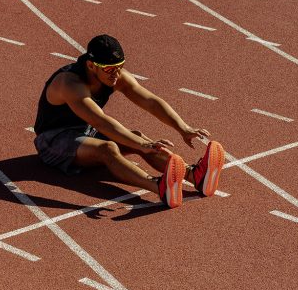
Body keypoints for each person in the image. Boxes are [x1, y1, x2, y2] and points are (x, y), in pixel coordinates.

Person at [32, 34, 225, 208]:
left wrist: (182, 127)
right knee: (109, 149)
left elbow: (149, 100)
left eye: (120, 67)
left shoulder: (112, 76)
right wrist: (143, 144)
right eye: (110, 69)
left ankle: (195, 175)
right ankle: (160, 187)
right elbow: (101, 122)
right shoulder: (70, 84)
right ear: (91, 66)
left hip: (86, 132)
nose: (116, 74)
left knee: (136, 137)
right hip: (53, 140)